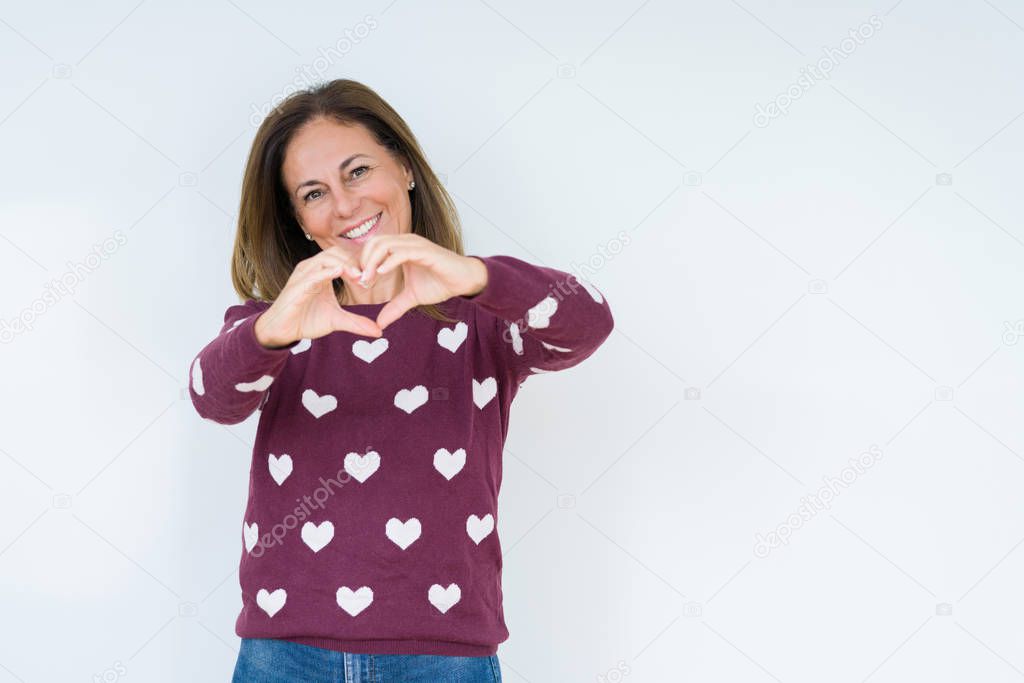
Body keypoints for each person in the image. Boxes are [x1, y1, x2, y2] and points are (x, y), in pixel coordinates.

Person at [187, 79, 614, 682]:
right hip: (285, 655)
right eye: (314, 193)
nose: (343, 205)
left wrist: (475, 277)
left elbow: (587, 323)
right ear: (300, 220)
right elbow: (212, 397)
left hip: (444, 656)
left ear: (406, 169)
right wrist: (274, 328)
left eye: (357, 172)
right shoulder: (271, 327)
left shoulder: (482, 321)